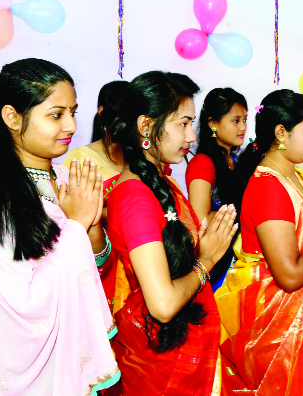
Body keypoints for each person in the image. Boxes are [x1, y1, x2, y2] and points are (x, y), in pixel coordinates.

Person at [0, 58, 119, 395]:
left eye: (73, 111)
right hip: (19, 369)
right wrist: (74, 223)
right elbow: (19, 301)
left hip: (68, 348)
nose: (71, 125)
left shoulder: (64, 175)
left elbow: (95, 265)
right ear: (13, 118)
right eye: (56, 115)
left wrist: (91, 225)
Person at [215, 89, 303, 395]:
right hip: (284, 329)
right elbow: (289, 275)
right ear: (281, 133)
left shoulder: (296, 177)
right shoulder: (269, 188)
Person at [105, 71, 238, 395]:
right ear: (146, 126)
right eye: (182, 123)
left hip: (180, 349)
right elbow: (162, 303)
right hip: (160, 365)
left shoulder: (161, 183)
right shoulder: (136, 197)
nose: (191, 136)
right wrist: (206, 260)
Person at [64, 80, 128, 311]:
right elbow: (72, 212)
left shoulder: (137, 160)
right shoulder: (82, 156)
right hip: (100, 257)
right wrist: (122, 214)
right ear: (103, 113)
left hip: (136, 255)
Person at [186, 88, 247, 290]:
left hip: (240, 256)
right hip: (215, 260)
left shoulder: (237, 162)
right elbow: (199, 219)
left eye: (245, 119)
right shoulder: (202, 163)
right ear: (212, 124)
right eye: (236, 120)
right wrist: (241, 209)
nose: (243, 127)